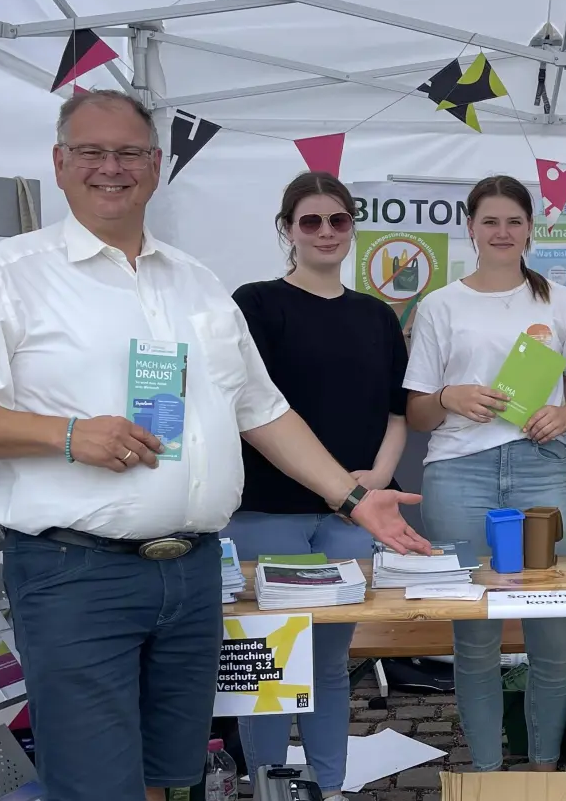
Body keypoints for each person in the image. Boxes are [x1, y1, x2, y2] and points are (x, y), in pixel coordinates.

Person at [0, 89, 430, 801]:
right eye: (90, 151)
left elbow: (262, 410)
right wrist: (64, 435)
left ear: (155, 167)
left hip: (191, 576)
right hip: (76, 575)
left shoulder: (197, 282)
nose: (110, 167)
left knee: (171, 780)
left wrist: (356, 498)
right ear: (60, 164)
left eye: (128, 153)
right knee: (96, 786)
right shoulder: (8, 274)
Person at [223, 170, 409, 801]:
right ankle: (272, 791)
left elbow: (395, 413)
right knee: (269, 668)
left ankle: (327, 788)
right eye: (311, 221)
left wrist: (378, 479)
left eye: (339, 220)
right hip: (268, 512)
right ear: (288, 230)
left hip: (351, 519)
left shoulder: (376, 316)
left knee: (330, 665)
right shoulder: (255, 304)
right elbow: (249, 413)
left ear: (353, 227)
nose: (326, 232)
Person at [402, 175, 566, 773]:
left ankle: (542, 771)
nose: (502, 232)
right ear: (470, 229)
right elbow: (417, 411)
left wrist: (565, 413)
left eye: (513, 221)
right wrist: (451, 396)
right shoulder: (440, 304)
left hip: (539, 470)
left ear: (531, 228)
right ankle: (486, 772)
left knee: (554, 632)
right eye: (490, 222)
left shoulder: (559, 301)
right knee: (475, 635)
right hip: (459, 473)